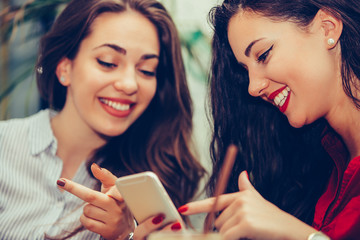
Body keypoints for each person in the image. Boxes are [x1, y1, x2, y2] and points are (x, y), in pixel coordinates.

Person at [0, 0, 205, 239]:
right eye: (107, 62)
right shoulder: (5, 145)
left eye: (147, 70)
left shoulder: (165, 179)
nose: (129, 84)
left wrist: (126, 235)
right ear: (64, 68)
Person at [178, 0, 360, 239]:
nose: (253, 87)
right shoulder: (325, 163)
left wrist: (298, 234)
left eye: (263, 55)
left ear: (327, 28)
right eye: (245, 70)